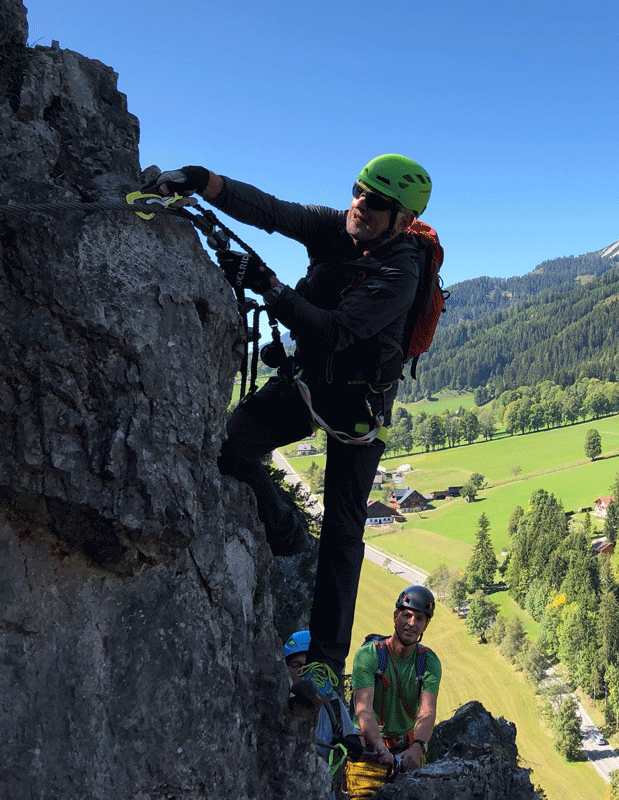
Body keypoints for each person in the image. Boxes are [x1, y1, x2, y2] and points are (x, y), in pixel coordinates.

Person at [148, 156, 434, 703]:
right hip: (308, 383)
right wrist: (207, 183)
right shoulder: (337, 228)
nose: (361, 204)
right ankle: (282, 525)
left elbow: (335, 331)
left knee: (345, 528)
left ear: (401, 219)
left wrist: (270, 287)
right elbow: (274, 212)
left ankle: (326, 663)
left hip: (356, 410)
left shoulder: (401, 273)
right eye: (358, 190)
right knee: (231, 447)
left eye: (377, 201)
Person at [345, 586, 441, 799]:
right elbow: (363, 710)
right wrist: (380, 747)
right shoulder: (369, 655)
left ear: (426, 624)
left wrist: (417, 748)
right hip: (369, 750)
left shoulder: (428, 662)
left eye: (419, 618)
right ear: (396, 616)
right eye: (406, 615)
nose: (412, 623)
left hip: (407, 751)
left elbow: (427, 712)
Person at [284, 630, 361, 798]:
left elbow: (351, 738)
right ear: (286, 668)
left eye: (309, 665)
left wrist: (351, 745)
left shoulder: (331, 702)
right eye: (297, 666)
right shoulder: (276, 702)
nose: (304, 673)